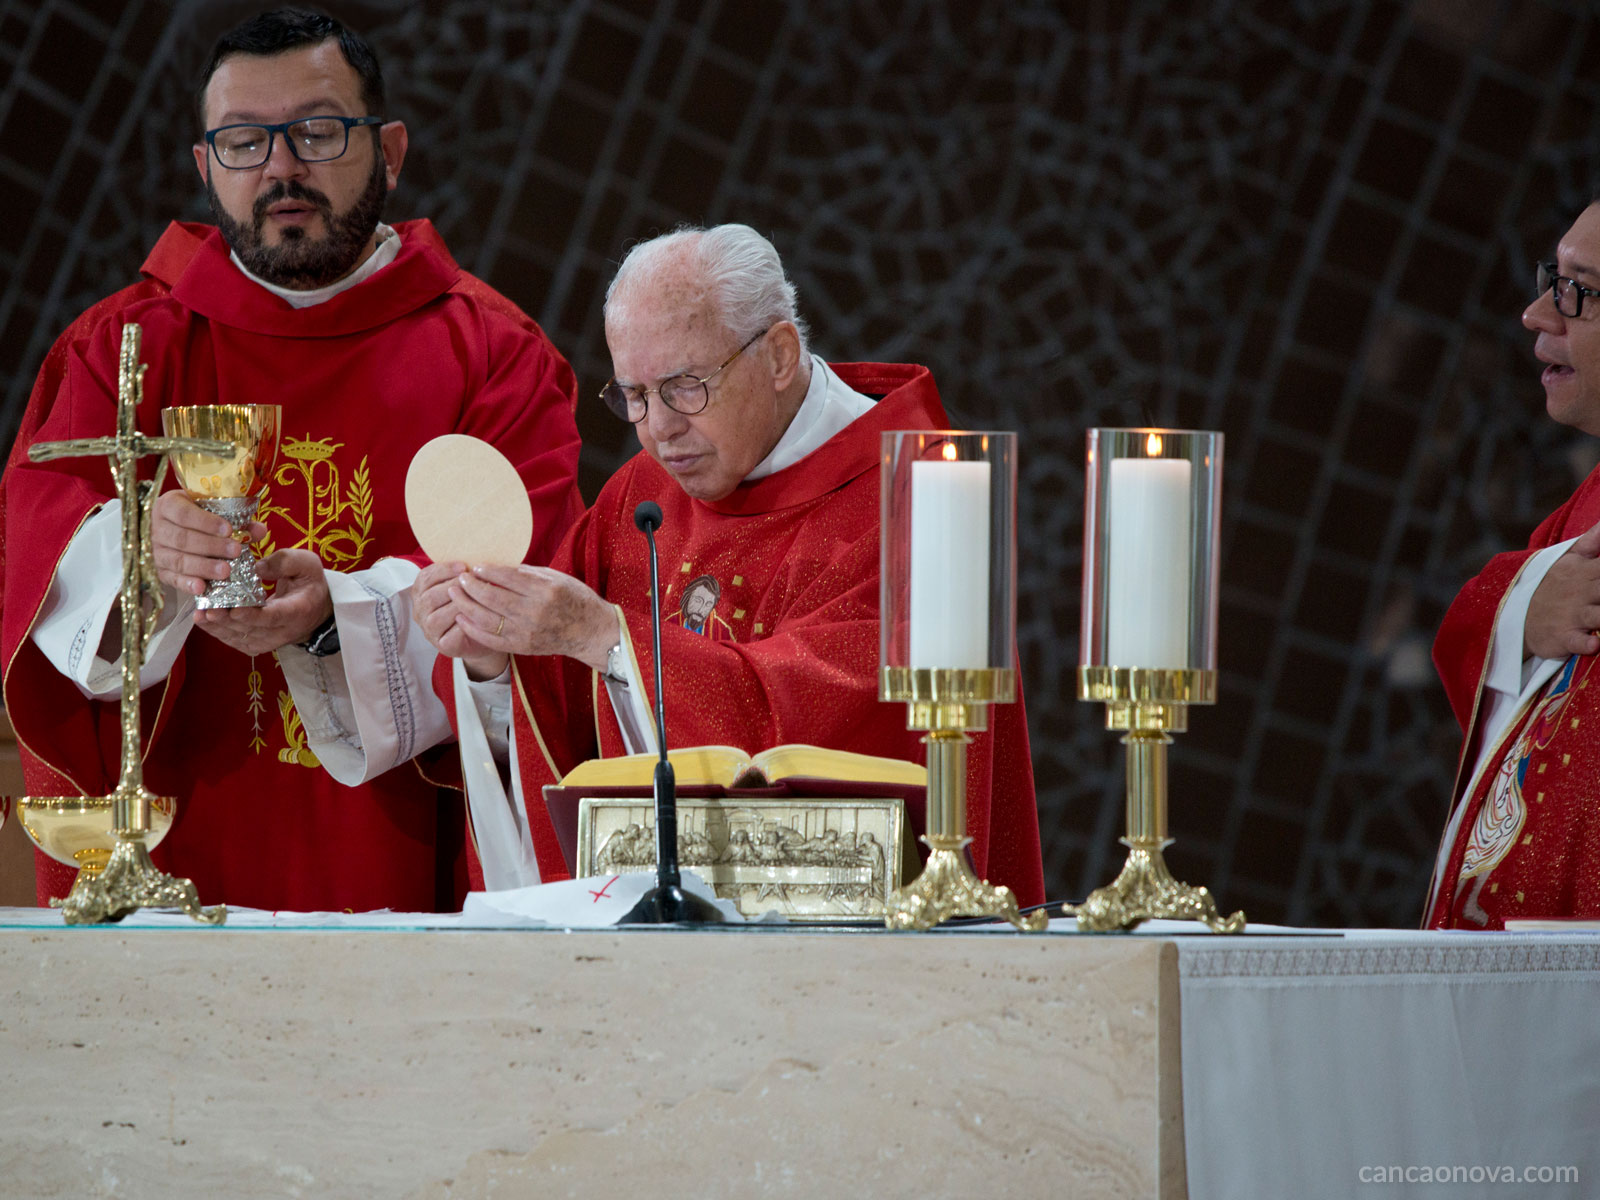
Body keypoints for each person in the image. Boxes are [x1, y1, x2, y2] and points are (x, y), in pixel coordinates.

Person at [0, 9, 583, 912]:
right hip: (174, 853)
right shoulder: (120, 348)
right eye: (243, 142)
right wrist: (133, 549)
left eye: (316, 131)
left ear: (388, 151)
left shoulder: (495, 356)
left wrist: (331, 621)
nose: (280, 168)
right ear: (206, 167)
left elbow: (531, 593)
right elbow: (32, 543)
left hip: (399, 858)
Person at [413, 224, 1045, 907]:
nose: (658, 428)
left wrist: (606, 639)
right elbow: (552, 719)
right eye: (634, 396)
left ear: (778, 355)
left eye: (683, 387)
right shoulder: (638, 497)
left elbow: (850, 741)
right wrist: (488, 656)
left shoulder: (923, 498)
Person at [1424, 198, 1600, 929]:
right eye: (1551, 280)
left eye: (1579, 291)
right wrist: (1524, 602)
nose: (1537, 314)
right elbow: (1471, 624)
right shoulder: (1586, 511)